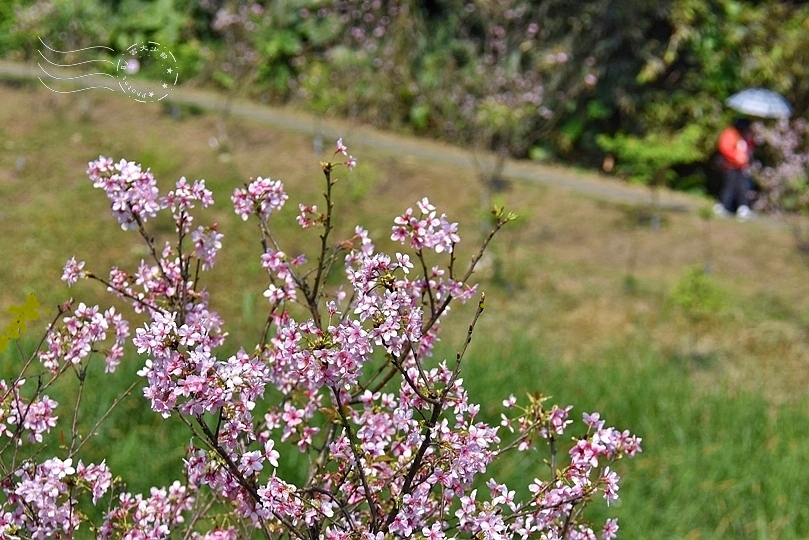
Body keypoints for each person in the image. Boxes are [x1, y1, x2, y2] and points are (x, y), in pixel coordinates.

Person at [715, 118, 755, 220]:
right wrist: (735, 157)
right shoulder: (730, 134)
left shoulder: (746, 136)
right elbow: (725, 148)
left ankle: (743, 208)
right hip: (730, 166)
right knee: (729, 187)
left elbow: (749, 148)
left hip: (742, 167)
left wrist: (746, 157)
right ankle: (723, 206)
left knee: (743, 187)